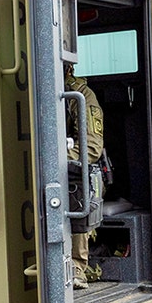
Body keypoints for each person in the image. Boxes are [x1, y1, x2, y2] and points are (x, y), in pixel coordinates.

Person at [66, 65, 104, 290]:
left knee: (76, 188)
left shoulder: (81, 95)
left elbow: (91, 149)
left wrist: (54, 158)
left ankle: (77, 267)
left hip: (77, 176)